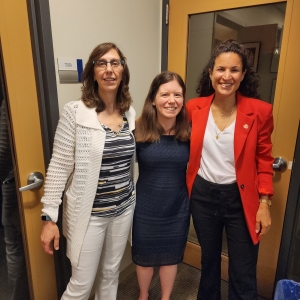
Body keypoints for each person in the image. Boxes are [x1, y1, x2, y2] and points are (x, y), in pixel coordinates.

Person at [40, 42, 136, 300]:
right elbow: (59, 166)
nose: (109, 69)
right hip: (90, 215)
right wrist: (50, 217)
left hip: (123, 209)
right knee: (81, 285)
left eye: (115, 63)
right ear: (92, 72)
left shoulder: (129, 113)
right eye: (101, 63)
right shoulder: (76, 112)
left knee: (110, 274)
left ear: (123, 70)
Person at [186, 39, 273, 300]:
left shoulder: (259, 112)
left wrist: (264, 201)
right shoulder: (194, 108)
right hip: (203, 196)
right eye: (221, 69)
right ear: (211, 72)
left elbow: (264, 158)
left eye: (234, 70)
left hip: (240, 199)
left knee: (243, 269)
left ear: (243, 74)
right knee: (209, 262)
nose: (227, 76)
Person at [132, 71, 190, 300]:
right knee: (144, 258)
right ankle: (143, 295)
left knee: (170, 257)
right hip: (146, 208)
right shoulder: (137, 131)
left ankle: (166, 297)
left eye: (177, 95)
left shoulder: (189, 132)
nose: (171, 100)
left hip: (177, 208)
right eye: (165, 94)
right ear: (153, 99)